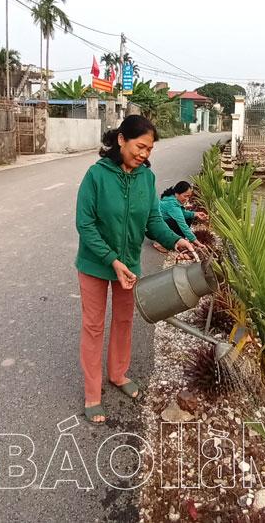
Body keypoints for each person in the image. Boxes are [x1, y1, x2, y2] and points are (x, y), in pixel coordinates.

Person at [75, 115, 196, 424]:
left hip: (128, 264)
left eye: (149, 149)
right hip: (96, 263)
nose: (144, 154)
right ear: (121, 140)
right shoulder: (96, 176)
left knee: (125, 320)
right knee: (93, 325)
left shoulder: (147, 178)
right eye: (140, 146)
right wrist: (111, 260)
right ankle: (92, 391)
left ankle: (117, 373)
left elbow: (153, 220)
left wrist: (175, 241)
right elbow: (85, 225)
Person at [153, 181, 208, 253]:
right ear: (177, 193)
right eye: (185, 196)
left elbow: (182, 214)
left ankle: (176, 240)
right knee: (180, 222)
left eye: (189, 196)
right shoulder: (172, 204)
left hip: (159, 225)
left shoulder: (172, 198)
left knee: (188, 218)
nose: (187, 199)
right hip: (155, 229)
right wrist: (197, 243)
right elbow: (183, 225)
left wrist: (195, 214)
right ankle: (160, 242)